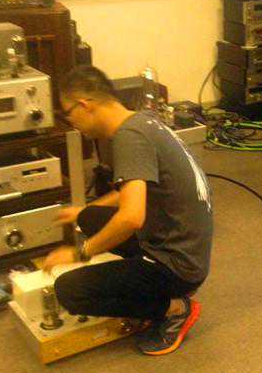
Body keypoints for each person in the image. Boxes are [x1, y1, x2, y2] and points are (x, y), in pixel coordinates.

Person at [42, 67, 213, 356]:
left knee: (69, 291)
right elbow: (131, 192)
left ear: (84, 105)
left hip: (178, 265)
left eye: (69, 115)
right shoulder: (142, 122)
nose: (73, 124)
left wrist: (79, 253)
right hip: (182, 243)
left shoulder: (129, 139)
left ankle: (174, 308)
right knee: (88, 217)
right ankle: (152, 287)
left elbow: (132, 217)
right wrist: (85, 210)